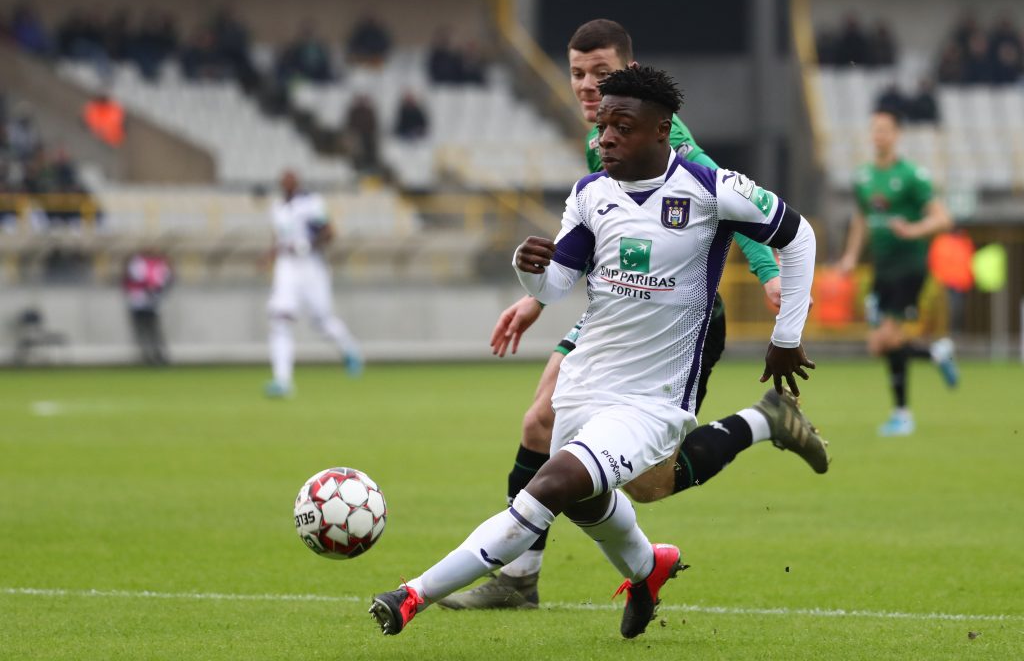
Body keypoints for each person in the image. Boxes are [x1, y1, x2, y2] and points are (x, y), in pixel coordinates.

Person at [369, 66, 819, 639]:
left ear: (662, 130)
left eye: (621, 127)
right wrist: (528, 271)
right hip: (584, 383)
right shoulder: (589, 194)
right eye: (603, 125)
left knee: (551, 488)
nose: (604, 138)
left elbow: (798, 236)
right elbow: (558, 286)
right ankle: (648, 567)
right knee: (587, 502)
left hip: (650, 400)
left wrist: (787, 337)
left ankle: (412, 595)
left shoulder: (712, 188)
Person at [837, 109, 958, 437]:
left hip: (909, 267)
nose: (879, 135)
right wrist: (850, 256)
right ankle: (934, 354)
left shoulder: (911, 176)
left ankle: (903, 415)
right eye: (875, 130)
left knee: (886, 339)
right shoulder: (863, 177)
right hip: (882, 269)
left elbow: (943, 218)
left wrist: (913, 229)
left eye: (885, 130)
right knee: (880, 345)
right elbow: (861, 220)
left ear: (896, 135)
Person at [265, 170, 362, 397]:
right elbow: (278, 238)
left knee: (321, 320)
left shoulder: (311, 203)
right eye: (283, 180)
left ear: (297, 182)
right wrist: (270, 254)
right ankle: (282, 380)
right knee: (280, 318)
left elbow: (329, 232)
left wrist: (308, 244)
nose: (287, 183)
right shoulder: (277, 207)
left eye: (290, 180)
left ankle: (350, 349)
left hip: (311, 265)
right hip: (286, 266)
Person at [123, 249, 173, 365]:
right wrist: (148, 287)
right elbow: (130, 280)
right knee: (144, 330)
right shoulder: (138, 263)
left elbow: (165, 281)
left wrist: (156, 290)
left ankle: (157, 355)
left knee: (152, 330)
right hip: (139, 302)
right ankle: (148, 355)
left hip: (151, 302)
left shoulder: (156, 264)